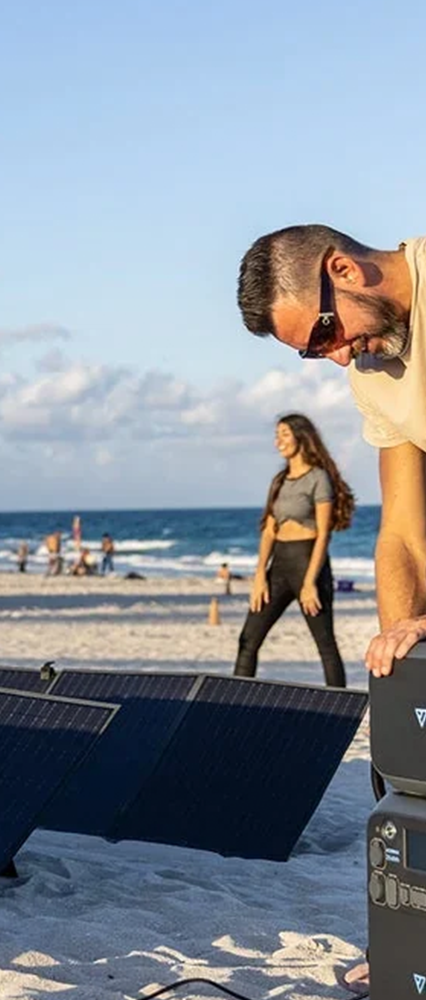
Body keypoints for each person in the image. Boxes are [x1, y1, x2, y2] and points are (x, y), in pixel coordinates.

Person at [237, 224, 426, 990]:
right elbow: (405, 535)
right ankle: (414, 942)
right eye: (317, 355)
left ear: (345, 268)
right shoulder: (375, 366)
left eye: (326, 334)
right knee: (410, 777)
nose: (340, 357)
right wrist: (399, 652)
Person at [233, 415, 354, 688]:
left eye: (285, 434)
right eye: (277, 435)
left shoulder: (318, 478)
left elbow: (324, 533)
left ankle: (341, 708)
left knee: (325, 644)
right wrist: (259, 576)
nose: (279, 441)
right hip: (278, 565)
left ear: (302, 436)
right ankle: (234, 703)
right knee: (248, 639)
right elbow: (268, 530)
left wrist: (310, 582)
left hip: (307, 563)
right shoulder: (280, 480)